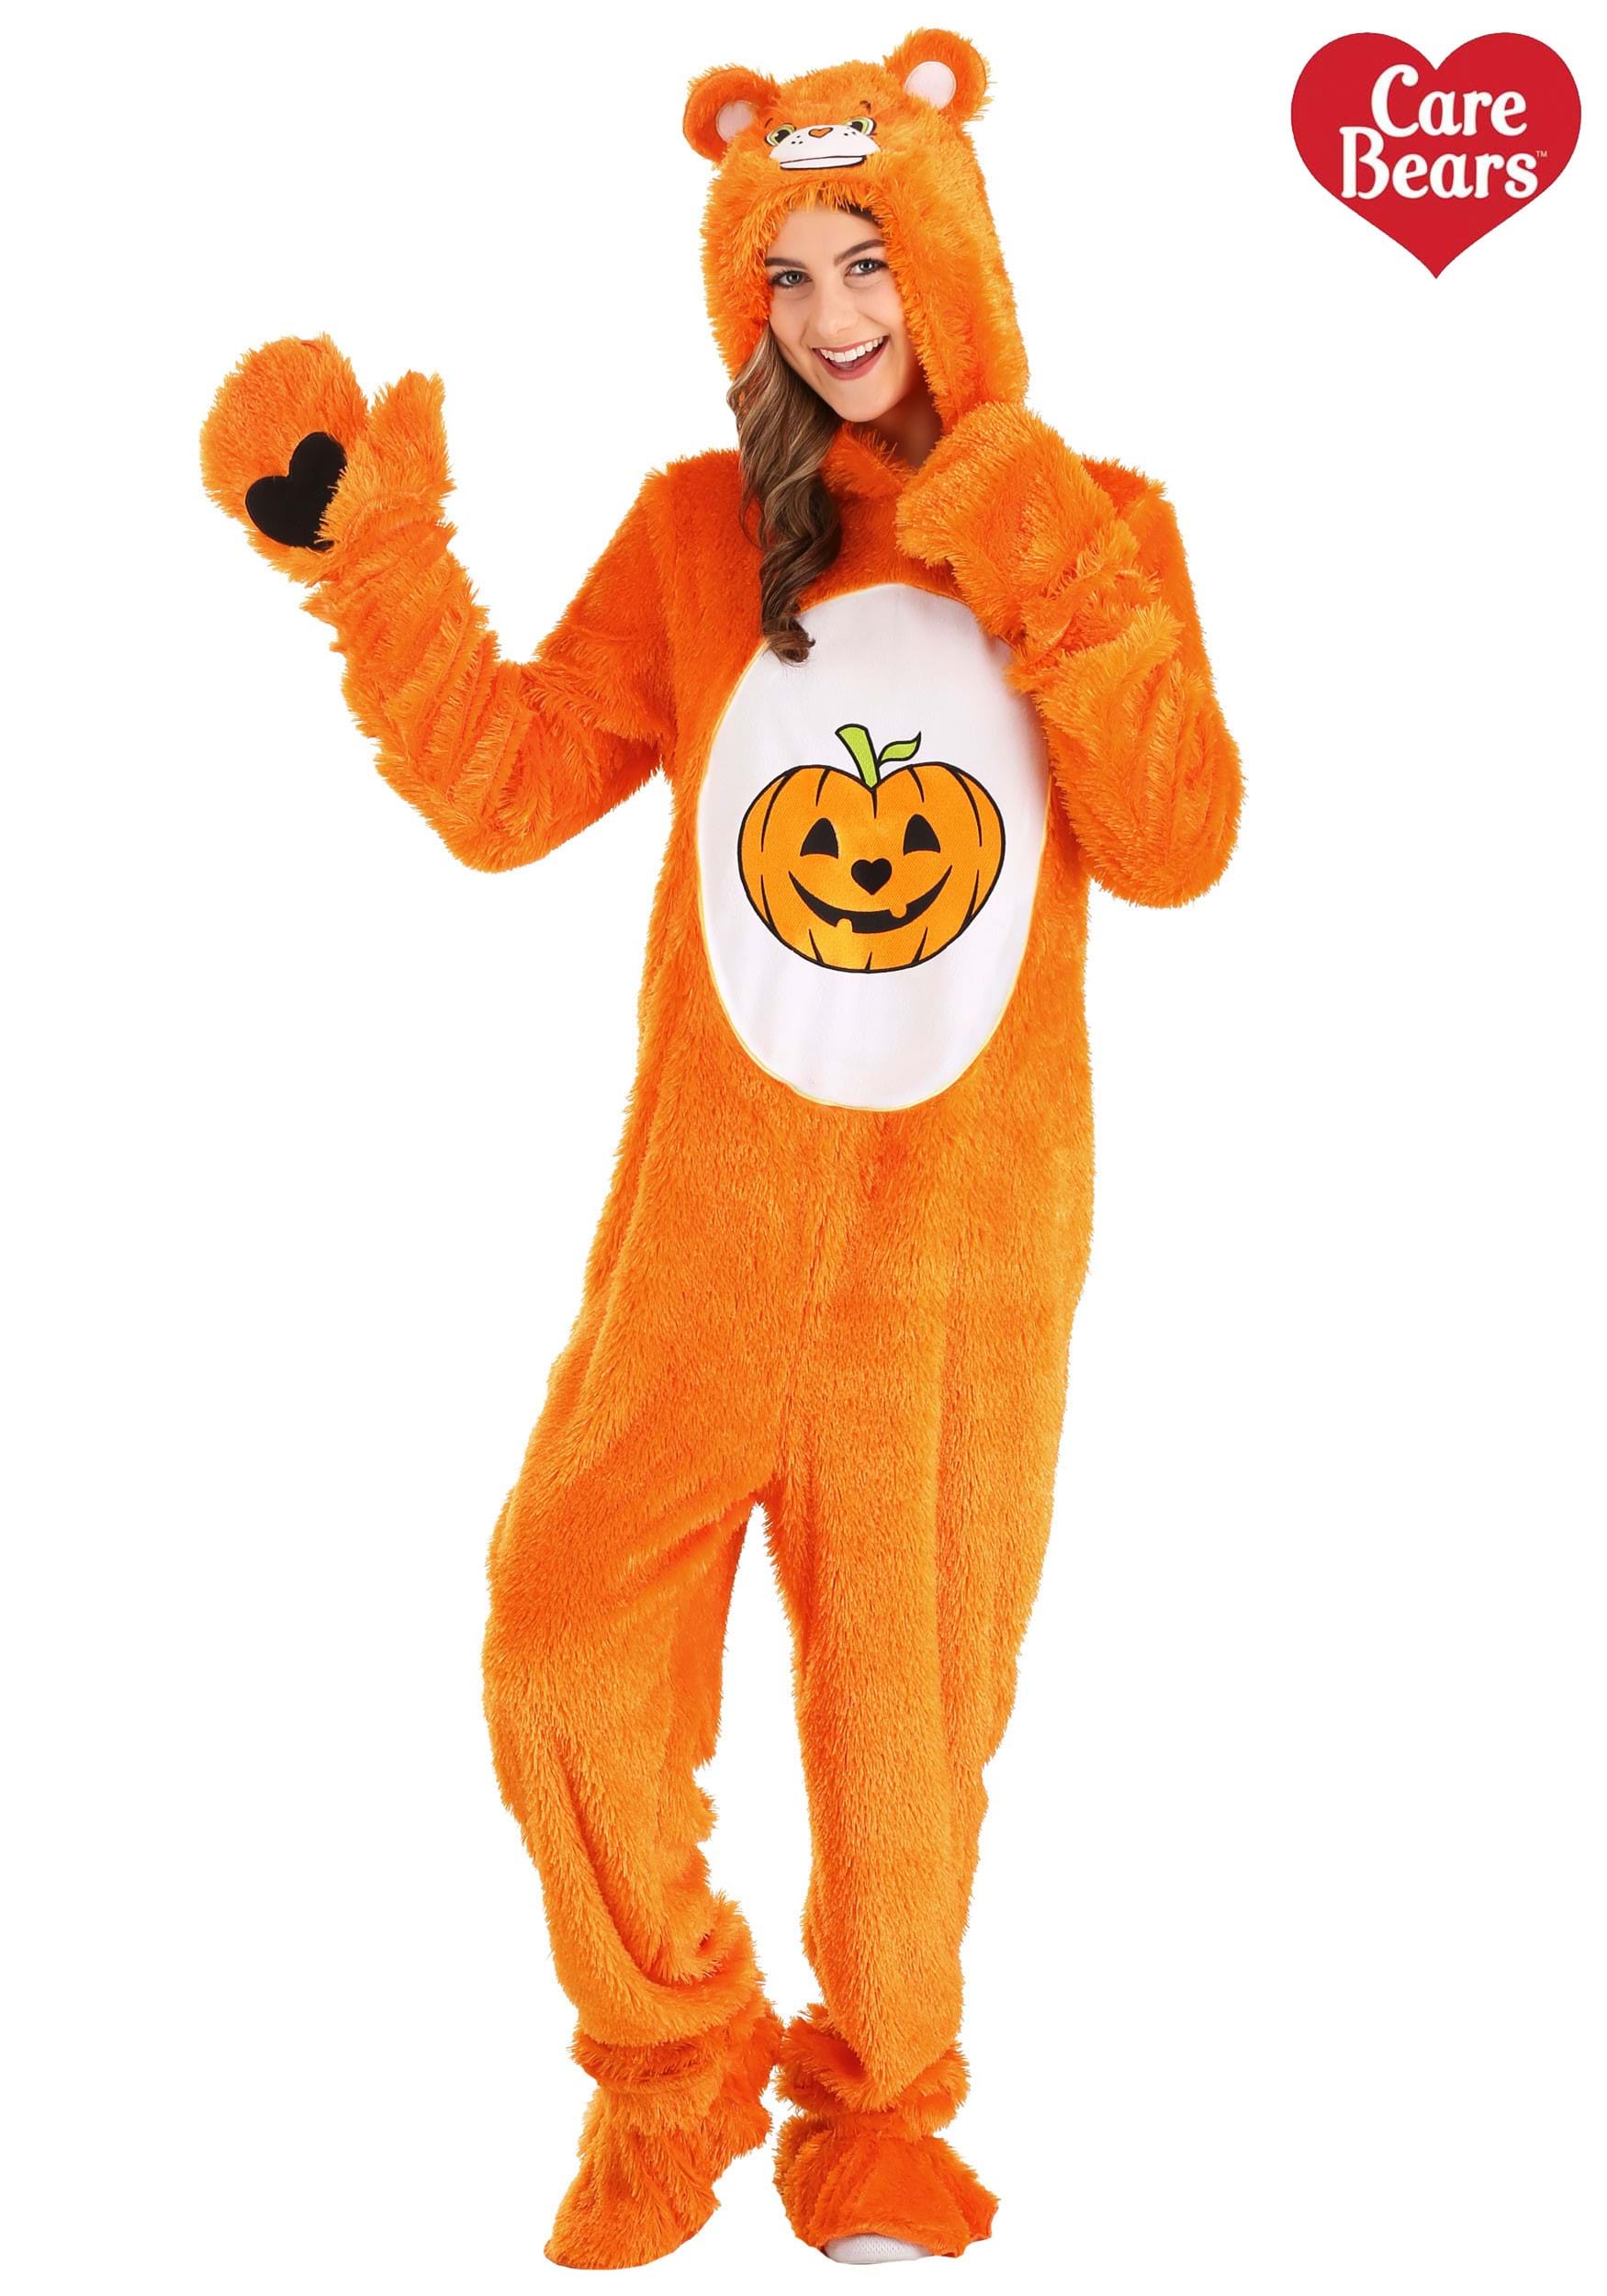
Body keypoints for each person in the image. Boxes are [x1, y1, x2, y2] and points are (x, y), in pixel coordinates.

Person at [199, 28, 1242, 2274]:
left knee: (904, 1754)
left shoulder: (1097, 517)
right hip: (701, 1240)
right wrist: (373, 559)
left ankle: (874, 2111)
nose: (833, 313)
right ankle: (671, 2054)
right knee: (556, 1641)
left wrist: (1033, 540)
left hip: (949, 1275)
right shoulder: (696, 533)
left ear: (950, 263)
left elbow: (1174, 840)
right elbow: (509, 787)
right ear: (738, 296)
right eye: (786, 272)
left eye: (869, 258)